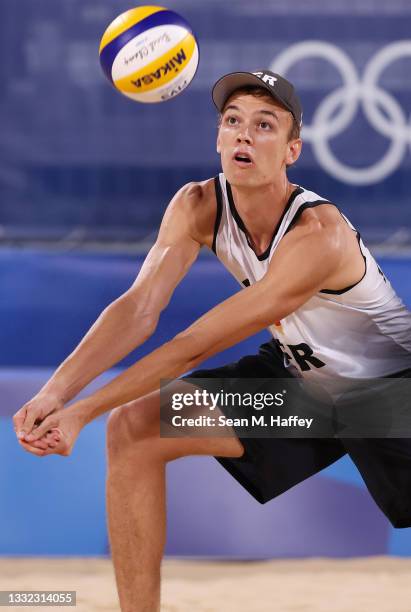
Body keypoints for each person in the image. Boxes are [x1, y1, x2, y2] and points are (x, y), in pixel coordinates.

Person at [13, 70, 411, 612]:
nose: (244, 135)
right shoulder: (198, 204)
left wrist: (83, 412)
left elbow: (197, 343)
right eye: (232, 121)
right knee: (135, 430)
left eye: (264, 125)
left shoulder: (319, 234)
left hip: (387, 396)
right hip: (304, 388)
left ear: (292, 150)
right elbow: (139, 308)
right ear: (219, 138)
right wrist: (56, 393)